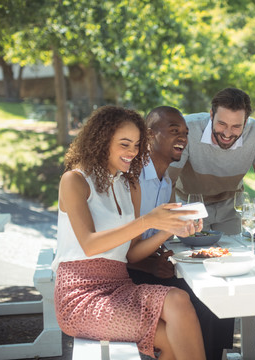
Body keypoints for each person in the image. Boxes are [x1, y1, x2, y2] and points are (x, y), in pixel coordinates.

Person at [51, 105, 205, 360]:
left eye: (136, 144)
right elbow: (89, 244)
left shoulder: (128, 186)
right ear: (102, 141)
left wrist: (168, 228)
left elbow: (132, 255)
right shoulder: (74, 181)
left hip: (120, 285)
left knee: (179, 300)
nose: (132, 152)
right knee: (172, 339)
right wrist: (146, 221)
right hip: (80, 296)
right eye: (124, 144)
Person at [127, 105, 235, 360]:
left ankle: (214, 355)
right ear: (150, 135)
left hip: (145, 265)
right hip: (127, 274)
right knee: (203, 299)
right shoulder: (134, 179)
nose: (183, 138)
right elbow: (125, 250)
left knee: (215, 291)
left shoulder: (165, 182)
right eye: (174, 130)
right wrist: (151, 267)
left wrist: (161, 257)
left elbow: (157, 235)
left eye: (185, 133)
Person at [168, 87, 255, 233]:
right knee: (194, 253)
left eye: (236, 126)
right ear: (211, 114)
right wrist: (164, 232)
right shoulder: (187, 129)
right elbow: (168, 181)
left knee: (234, 251)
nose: (227, 133)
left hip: (231, 207)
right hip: (191, 206)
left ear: (246, 121)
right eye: (222, 124)